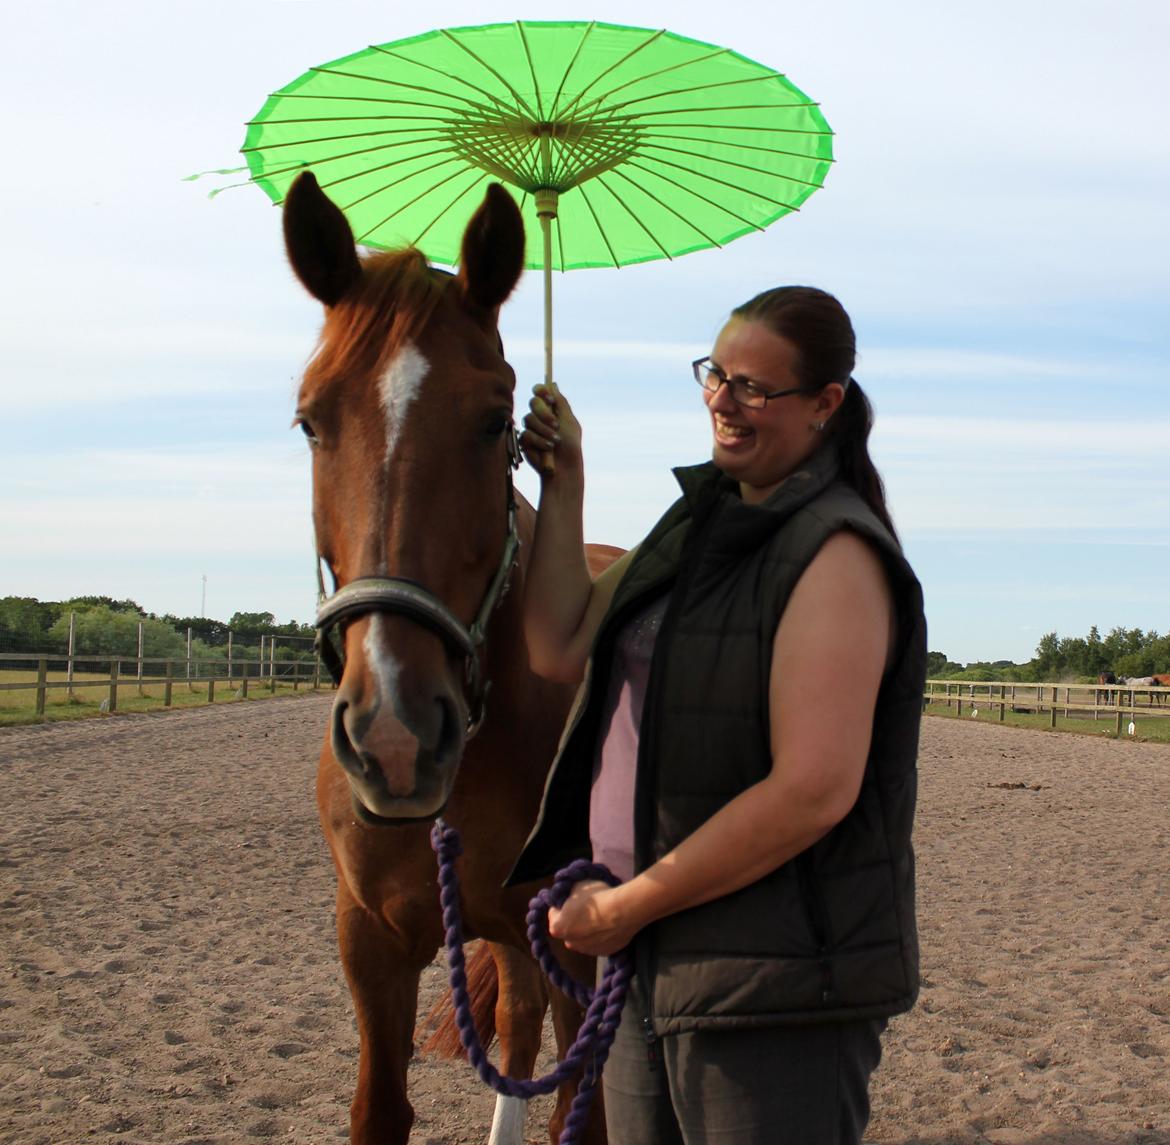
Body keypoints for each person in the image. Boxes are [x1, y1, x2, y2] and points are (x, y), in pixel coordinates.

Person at [508, 286, 926, 1145]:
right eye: (715, 374)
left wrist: (627, 909)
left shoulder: (835, 550)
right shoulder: (694, 525)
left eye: (754, 388)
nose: (723, 403)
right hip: (645, 961)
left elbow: (813, 789)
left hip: (771, 982)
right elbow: (557, 643)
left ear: (826, 404)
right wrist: (565, 483)